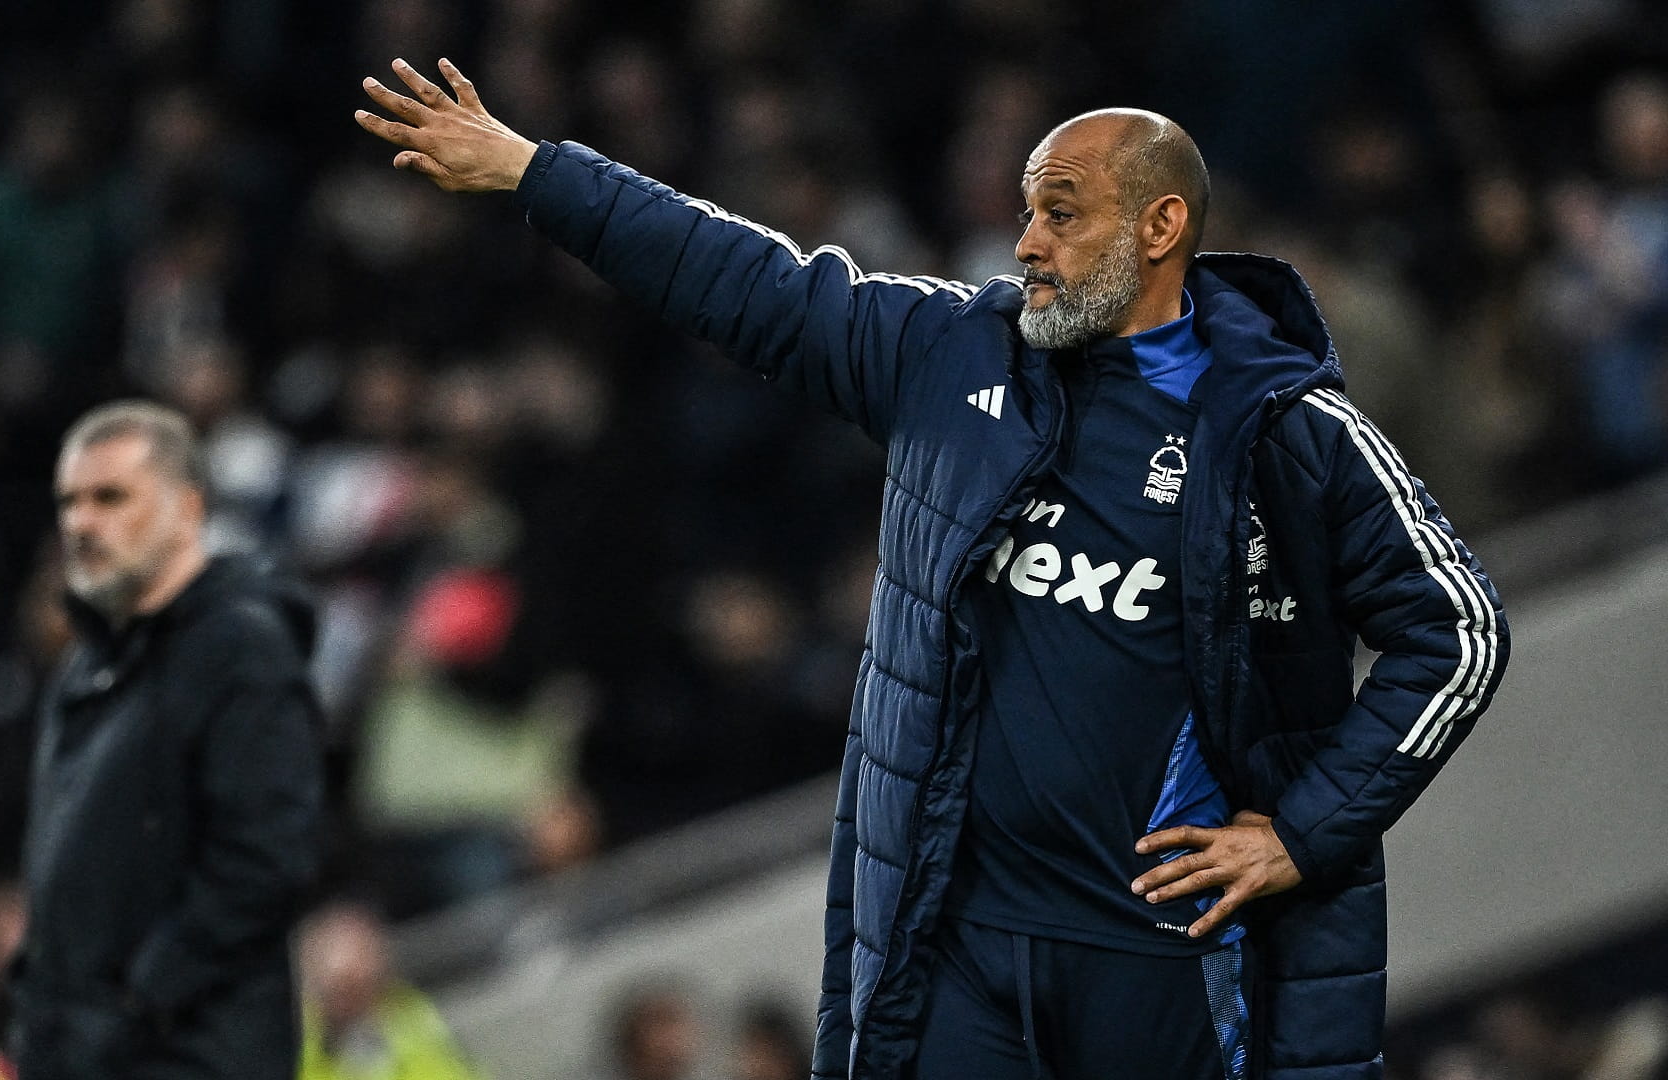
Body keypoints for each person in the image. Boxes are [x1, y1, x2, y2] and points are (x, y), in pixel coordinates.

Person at [353, 60, 1510, 1080]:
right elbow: (747, 281)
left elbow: (1461, 632)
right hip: (957, 945)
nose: (1026, 243)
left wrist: (1301, 833)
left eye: (1062, 213)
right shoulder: (948, 353)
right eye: (1027, 211)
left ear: (1161, 227)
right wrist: (535, 172)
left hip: (1163, 955)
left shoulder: (1290, 434)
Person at [10, 400, 323, 1080]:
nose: (81, 523)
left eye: (110, 498)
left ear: (187, 509)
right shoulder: (86, 666)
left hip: (190, 1055)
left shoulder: (241, 649)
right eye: (69, 503)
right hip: (88, 1054)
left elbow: (266, 860)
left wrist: (143, 994)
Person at [296, 900, 483, 1080]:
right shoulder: (296, 1049)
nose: (353, 1004)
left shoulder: (412, 1020)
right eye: (341, 990)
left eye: (363, 985)